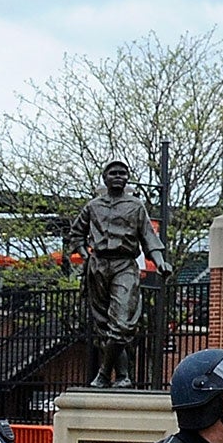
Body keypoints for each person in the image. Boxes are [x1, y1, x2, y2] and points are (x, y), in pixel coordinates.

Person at [65, 160, 169, 387]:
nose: (119, 177)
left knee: (122, 324)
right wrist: (85, 255)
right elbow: (76, 235)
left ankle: (103, 375)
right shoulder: (93, 206)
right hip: (98, 266)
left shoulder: (136, 206)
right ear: (105, 177)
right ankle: (122, 377)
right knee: (105, 327)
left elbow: (149, 238)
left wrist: (160, 262)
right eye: (114, 173)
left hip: (124, 265)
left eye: (123, 173)